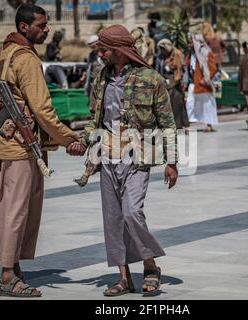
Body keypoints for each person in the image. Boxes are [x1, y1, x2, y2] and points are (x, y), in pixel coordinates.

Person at [0, 4, 80, 298]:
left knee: (6, 210)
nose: (46, 29)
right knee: (17, 212)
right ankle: (7, 276)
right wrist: (69, 139)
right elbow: (42, 109)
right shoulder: (26, 59)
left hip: (2, 145)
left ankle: (12, 268)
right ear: (23, 27)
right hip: (21, 148)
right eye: (41, 25)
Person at [67, 24, 178, 297]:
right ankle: (124, 278)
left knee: (132, 212)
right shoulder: (101, 77)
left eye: (103, 49)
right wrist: (82, 141)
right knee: (114, 219)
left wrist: (172, 162)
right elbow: (96, 118)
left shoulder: (151, 79)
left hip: (139, 156)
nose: (100, 53)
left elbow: (168, 124)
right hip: (107, 156)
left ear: (118, 50)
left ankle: (150, 267)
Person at [185, 34, 218, 132]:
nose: (189, 44)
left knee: (207, 105)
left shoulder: (206, 53)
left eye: (191, 42)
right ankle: (187, 125)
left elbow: (213, 68)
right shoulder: (191, 54)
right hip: (193, 83)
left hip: (204, 84)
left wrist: (206, 79)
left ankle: (209, 124)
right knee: (190, 104)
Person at [155, 38, 189, 130]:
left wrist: (185, 81)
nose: (163, 51)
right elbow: (157, 70)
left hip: (177, 81)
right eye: (161, 49)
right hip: (165, 82)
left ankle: (181, 124)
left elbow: (184, 69)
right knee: (167, 104)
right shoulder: (159, 57)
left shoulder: (178, 54)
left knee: (179, 103)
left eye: (164, 48)